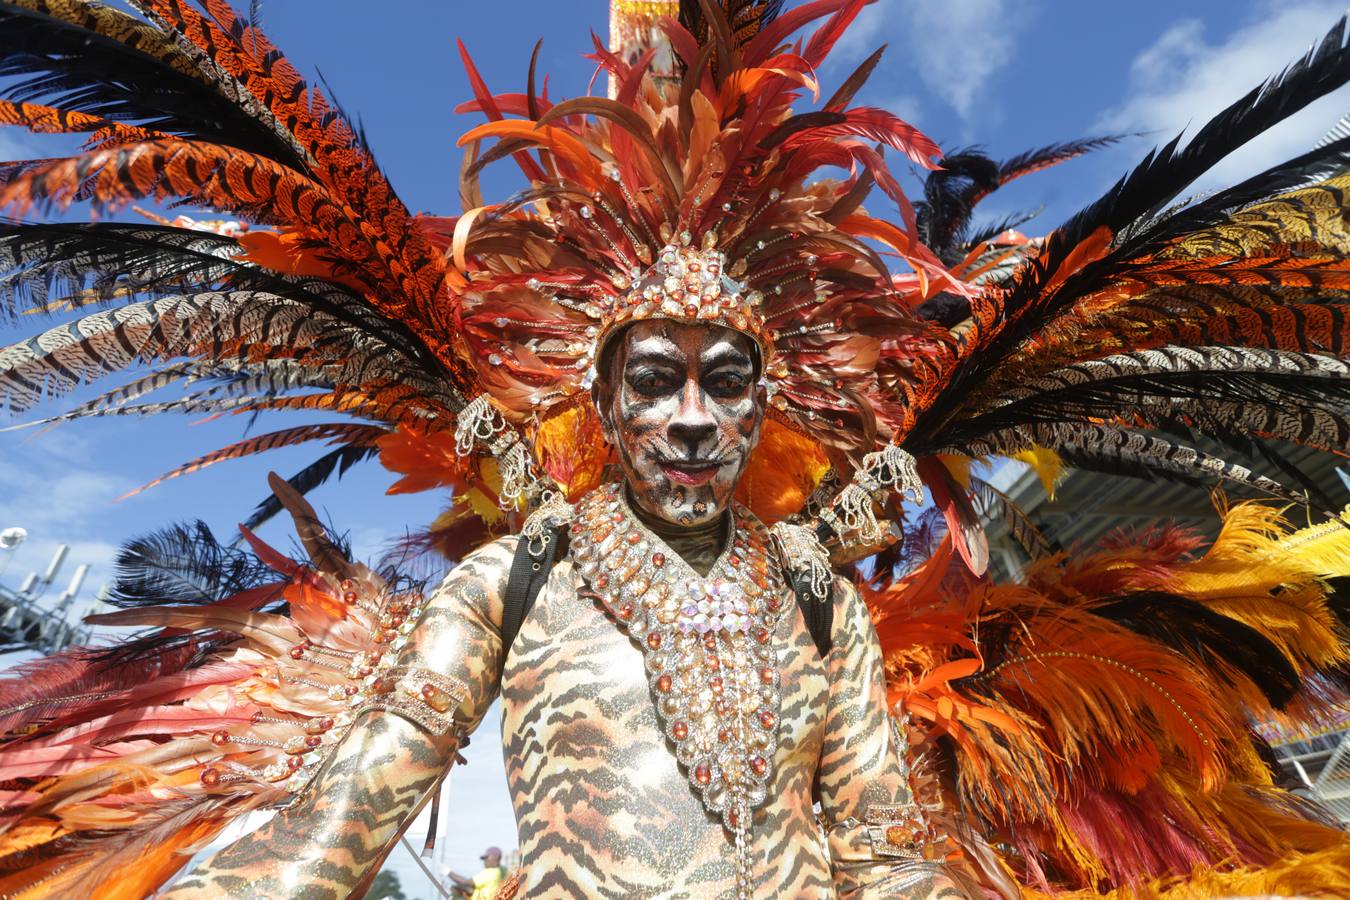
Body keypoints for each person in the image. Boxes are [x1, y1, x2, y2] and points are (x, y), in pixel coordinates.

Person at [1, 1, 1349, 897]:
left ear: (765, 408)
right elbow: (345, 814)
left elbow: (884, 854)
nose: (692, 416)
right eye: (654, 382)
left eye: (725, 383)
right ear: (603, 404)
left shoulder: (815, 600)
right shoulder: (509, 585)